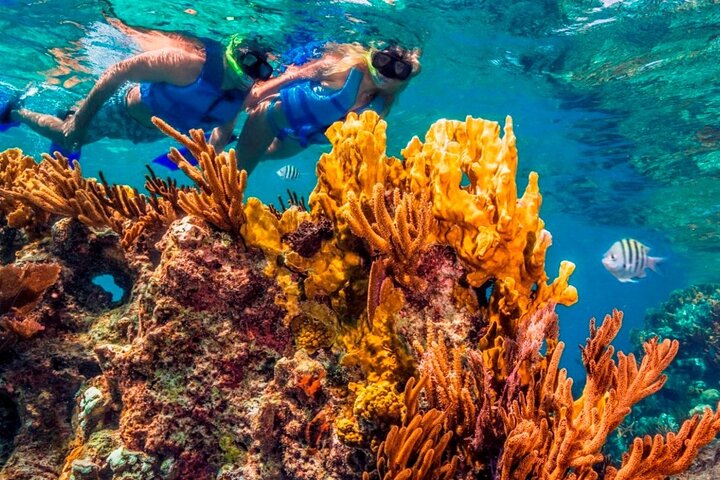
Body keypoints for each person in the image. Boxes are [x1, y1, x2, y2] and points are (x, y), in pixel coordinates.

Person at [0, 25, 276, 155]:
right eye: (248, 60)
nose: (253, 71)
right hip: (120, 111)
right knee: (66, 137)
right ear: (232, 53)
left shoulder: (238, 99)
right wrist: (80, 123)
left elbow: (223, 131)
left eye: (261, 69)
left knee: (73, 135)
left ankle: (71, 112)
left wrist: (209, 167)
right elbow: (117, 71)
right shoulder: (187, 64)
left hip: (149, 134)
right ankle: (15, 110)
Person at [234, 43, 421, 173]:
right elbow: (294, 75)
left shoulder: (383, 103)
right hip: (272, 116)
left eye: (399, 70)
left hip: (300, 140)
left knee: (261, 156)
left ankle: (223, 154)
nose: (385, 72)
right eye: (382, 61)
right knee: (237, 172)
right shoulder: (342, 67)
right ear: (372, 56)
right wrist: (257, 95)